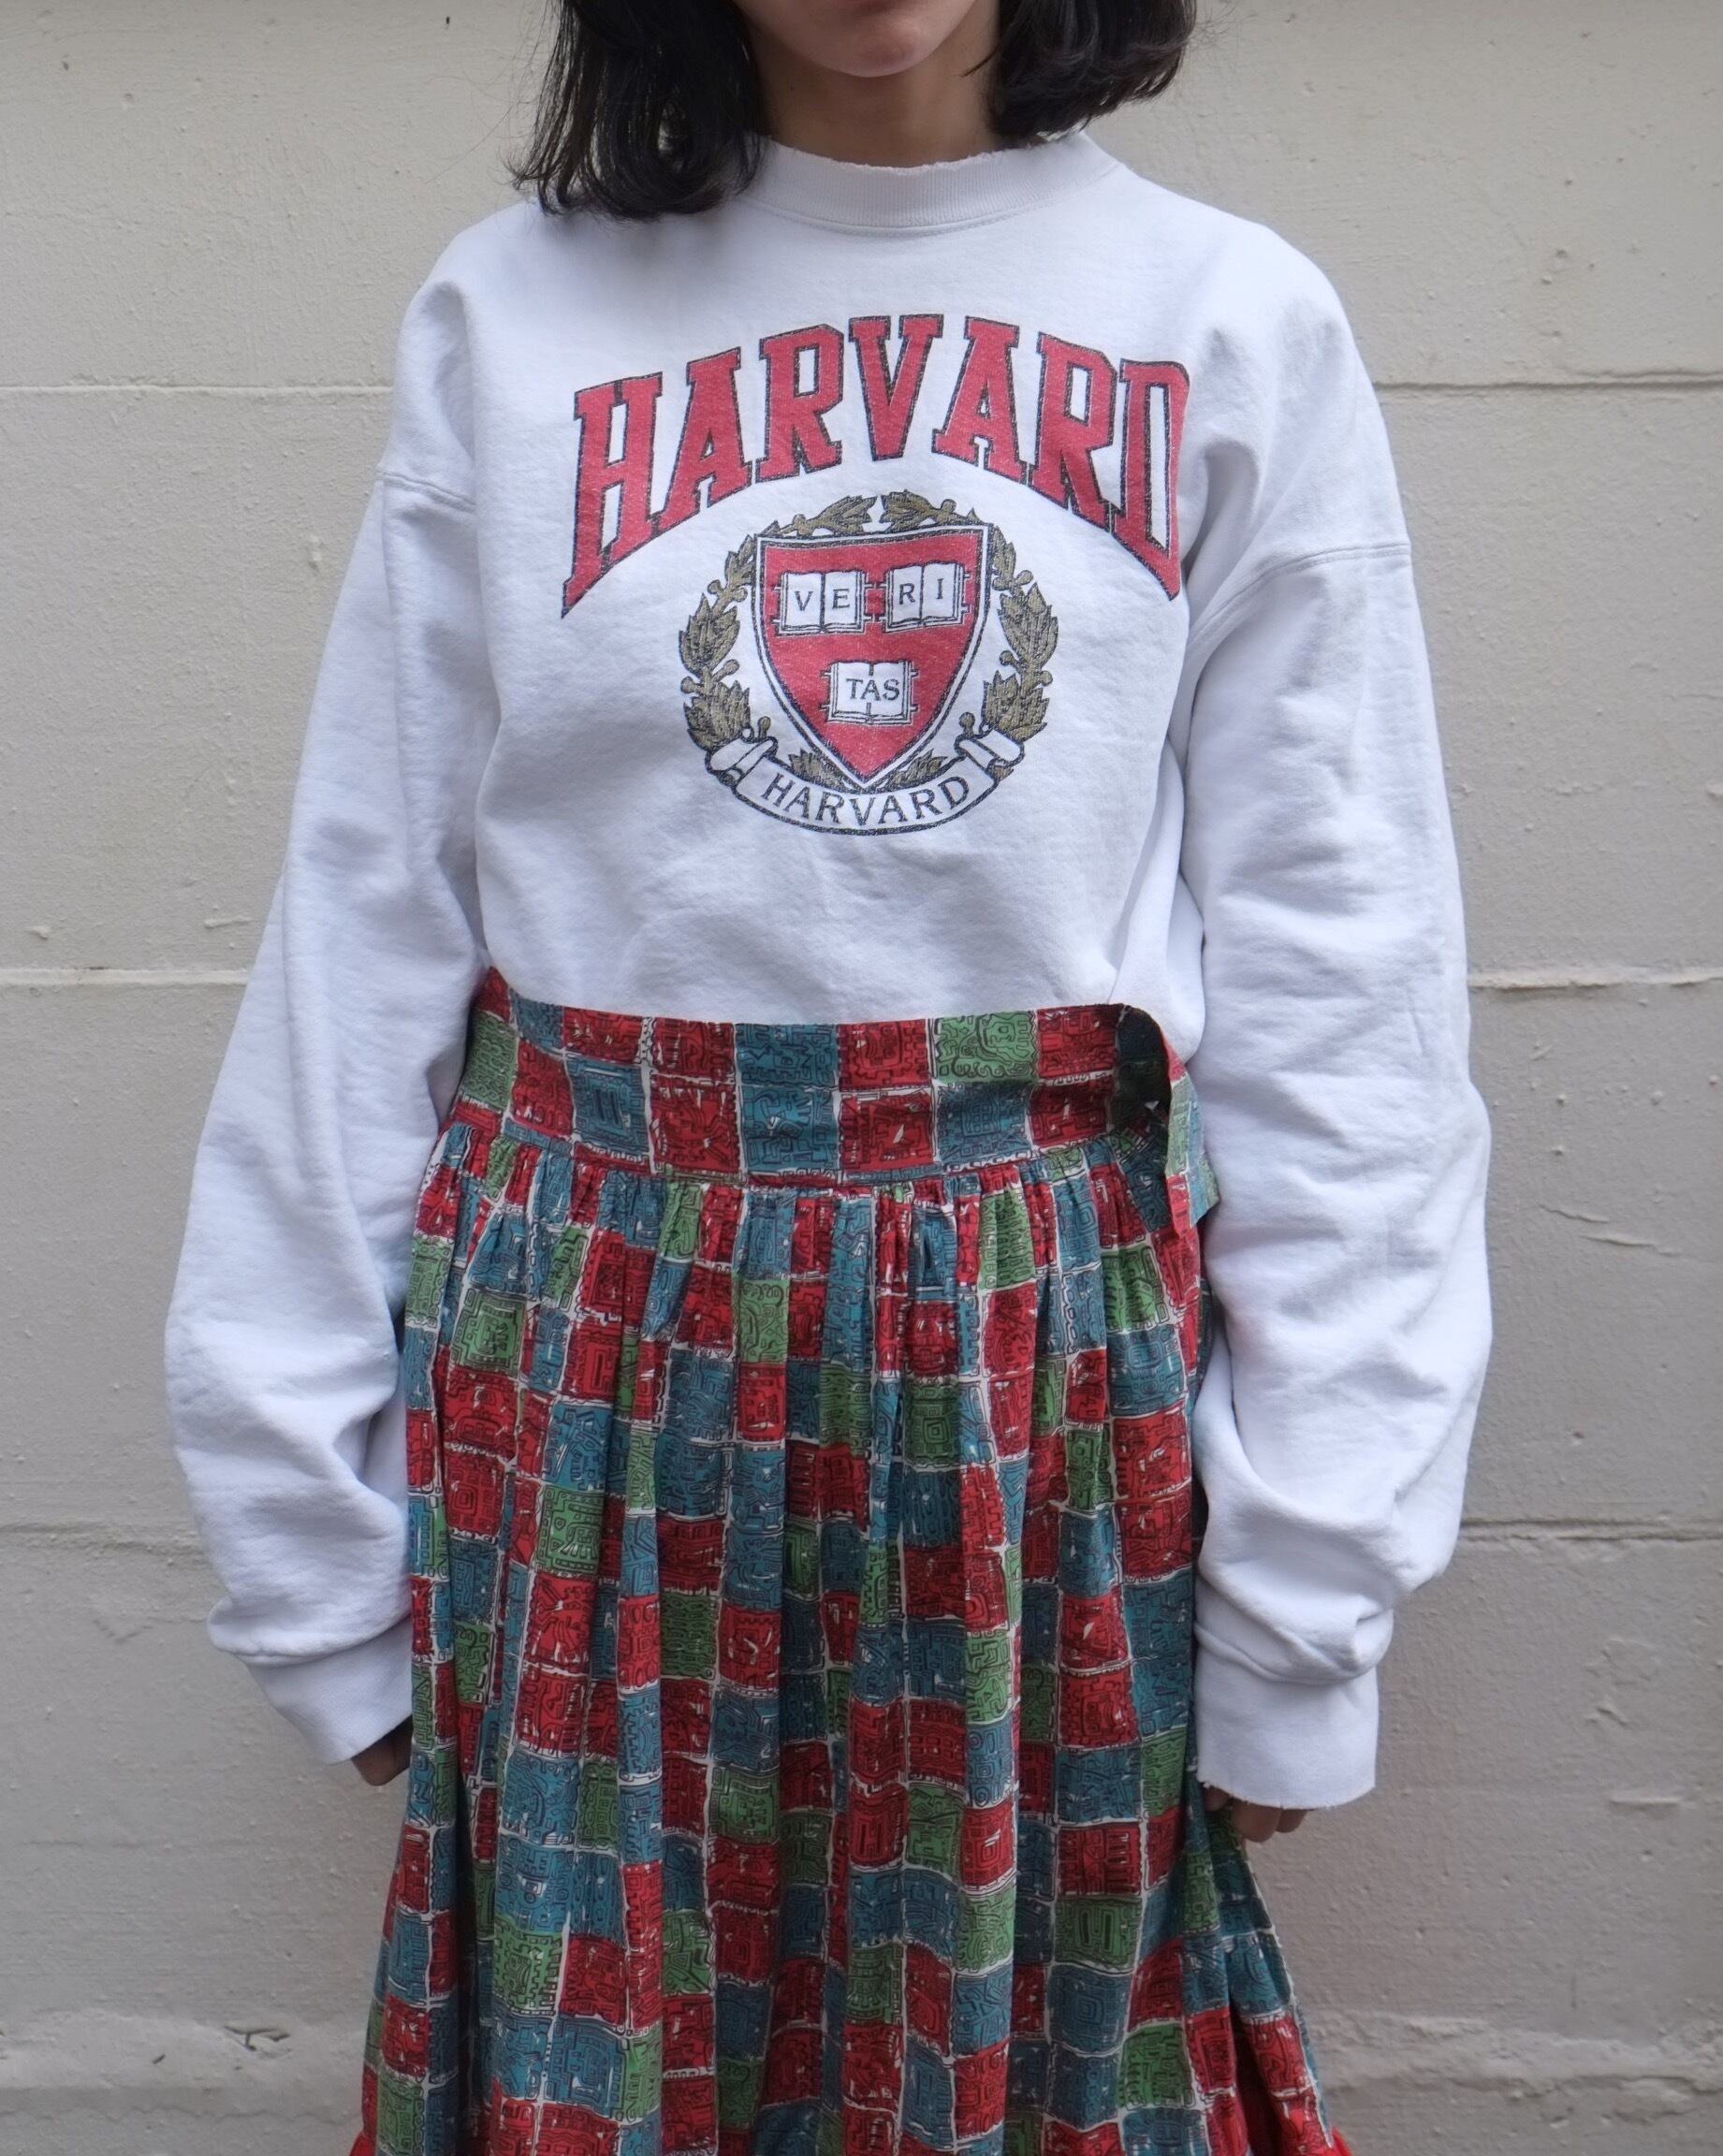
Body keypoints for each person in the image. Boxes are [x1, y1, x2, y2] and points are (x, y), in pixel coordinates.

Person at [161, 4, 1493, 2151]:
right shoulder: (515, 318)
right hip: (596, 1394)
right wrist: (305, 1536)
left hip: (1038, 1410)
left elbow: (1346, 974)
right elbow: (371, 910)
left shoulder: (1225, 322)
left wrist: (1310, 1589)